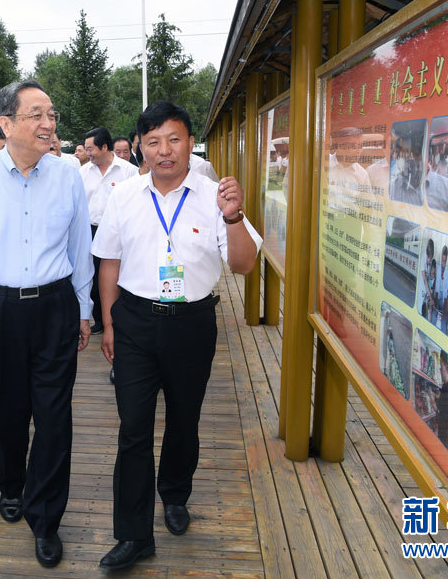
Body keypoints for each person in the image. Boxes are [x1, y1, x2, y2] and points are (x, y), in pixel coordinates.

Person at [93, 101, 261, 570]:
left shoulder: (215, 195)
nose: (164, 151)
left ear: (190, 143)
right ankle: (132, 535)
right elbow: (108, 262)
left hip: (192, 323)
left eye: (174, 139)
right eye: (153, 142)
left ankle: (175, 493)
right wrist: (109, 323)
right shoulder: (124, 195)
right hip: (134, 323)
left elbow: (244, 265)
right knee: (133, 429)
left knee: (184, 420)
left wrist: (233, 215)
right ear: (141, 149)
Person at [0, 79, 93, 568]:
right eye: (36, 115)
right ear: (7, 124)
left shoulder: (68, 175)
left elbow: (79, 251)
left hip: (53, 309)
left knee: (53, 417)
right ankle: (11, 480)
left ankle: (45, 517)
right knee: (0, 413)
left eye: (52, 114)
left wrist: (84, 310)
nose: (49, 124)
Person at [81, 127, 138, 335]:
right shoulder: (84, 172)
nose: (88, 153)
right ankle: (101, 320)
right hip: (91, 231)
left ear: (104, 147)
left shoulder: (127, 171)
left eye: (90, 149)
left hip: (121, 233)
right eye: (86, 149)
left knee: (121, 275)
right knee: (95, 277)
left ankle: (122, 318)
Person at [435, 349, 448, 448]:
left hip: (442, 443)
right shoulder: (444, 388)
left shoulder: (447, 392)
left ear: (447, 368)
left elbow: (443, 420)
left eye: (440, 367)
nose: (439, 370)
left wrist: (435, 406)